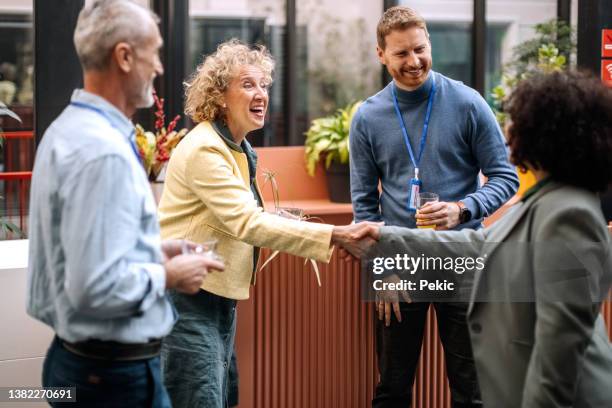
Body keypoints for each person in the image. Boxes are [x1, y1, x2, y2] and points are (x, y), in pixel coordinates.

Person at [350, 70, 612, 408]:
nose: (507, 130)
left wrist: (459, 211)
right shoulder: (543, 201)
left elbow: (559, 355)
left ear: (544, 134)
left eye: (515, 120)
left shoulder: (569, 211)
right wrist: (385, 240)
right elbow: (476, 246)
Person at [157, 39, 374, 408]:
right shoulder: (206, 149)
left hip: (217, 299)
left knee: (222, 398)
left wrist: (281, 218)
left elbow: (237, 213)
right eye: (247, 84)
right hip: (188, 301)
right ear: (220, 96)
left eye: (264, 85)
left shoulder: (237, 148)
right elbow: (246, 222)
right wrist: (336, 234)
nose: (261, 94)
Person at [26, 1, 223, 407]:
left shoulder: (65, 130)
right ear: (125, 56)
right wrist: (168, 274)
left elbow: (78, 255)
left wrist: (150, 250)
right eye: (155, 52)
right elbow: (93, 288)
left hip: (78, 365)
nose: (160, 68)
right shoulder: (103, 153)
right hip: (113, 380)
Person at [349, 6, 519, 407]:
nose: (414, 61)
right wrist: (381, 271)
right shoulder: (368, 117)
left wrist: (462, 209)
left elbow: (505, 178)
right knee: (391, 388)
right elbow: (363, 205)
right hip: (400, 265)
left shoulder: (467, 102)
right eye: (401, 53)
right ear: (381, 54)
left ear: (430, 44)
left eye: (420, 49)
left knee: (471, 388)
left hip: (462, 258)